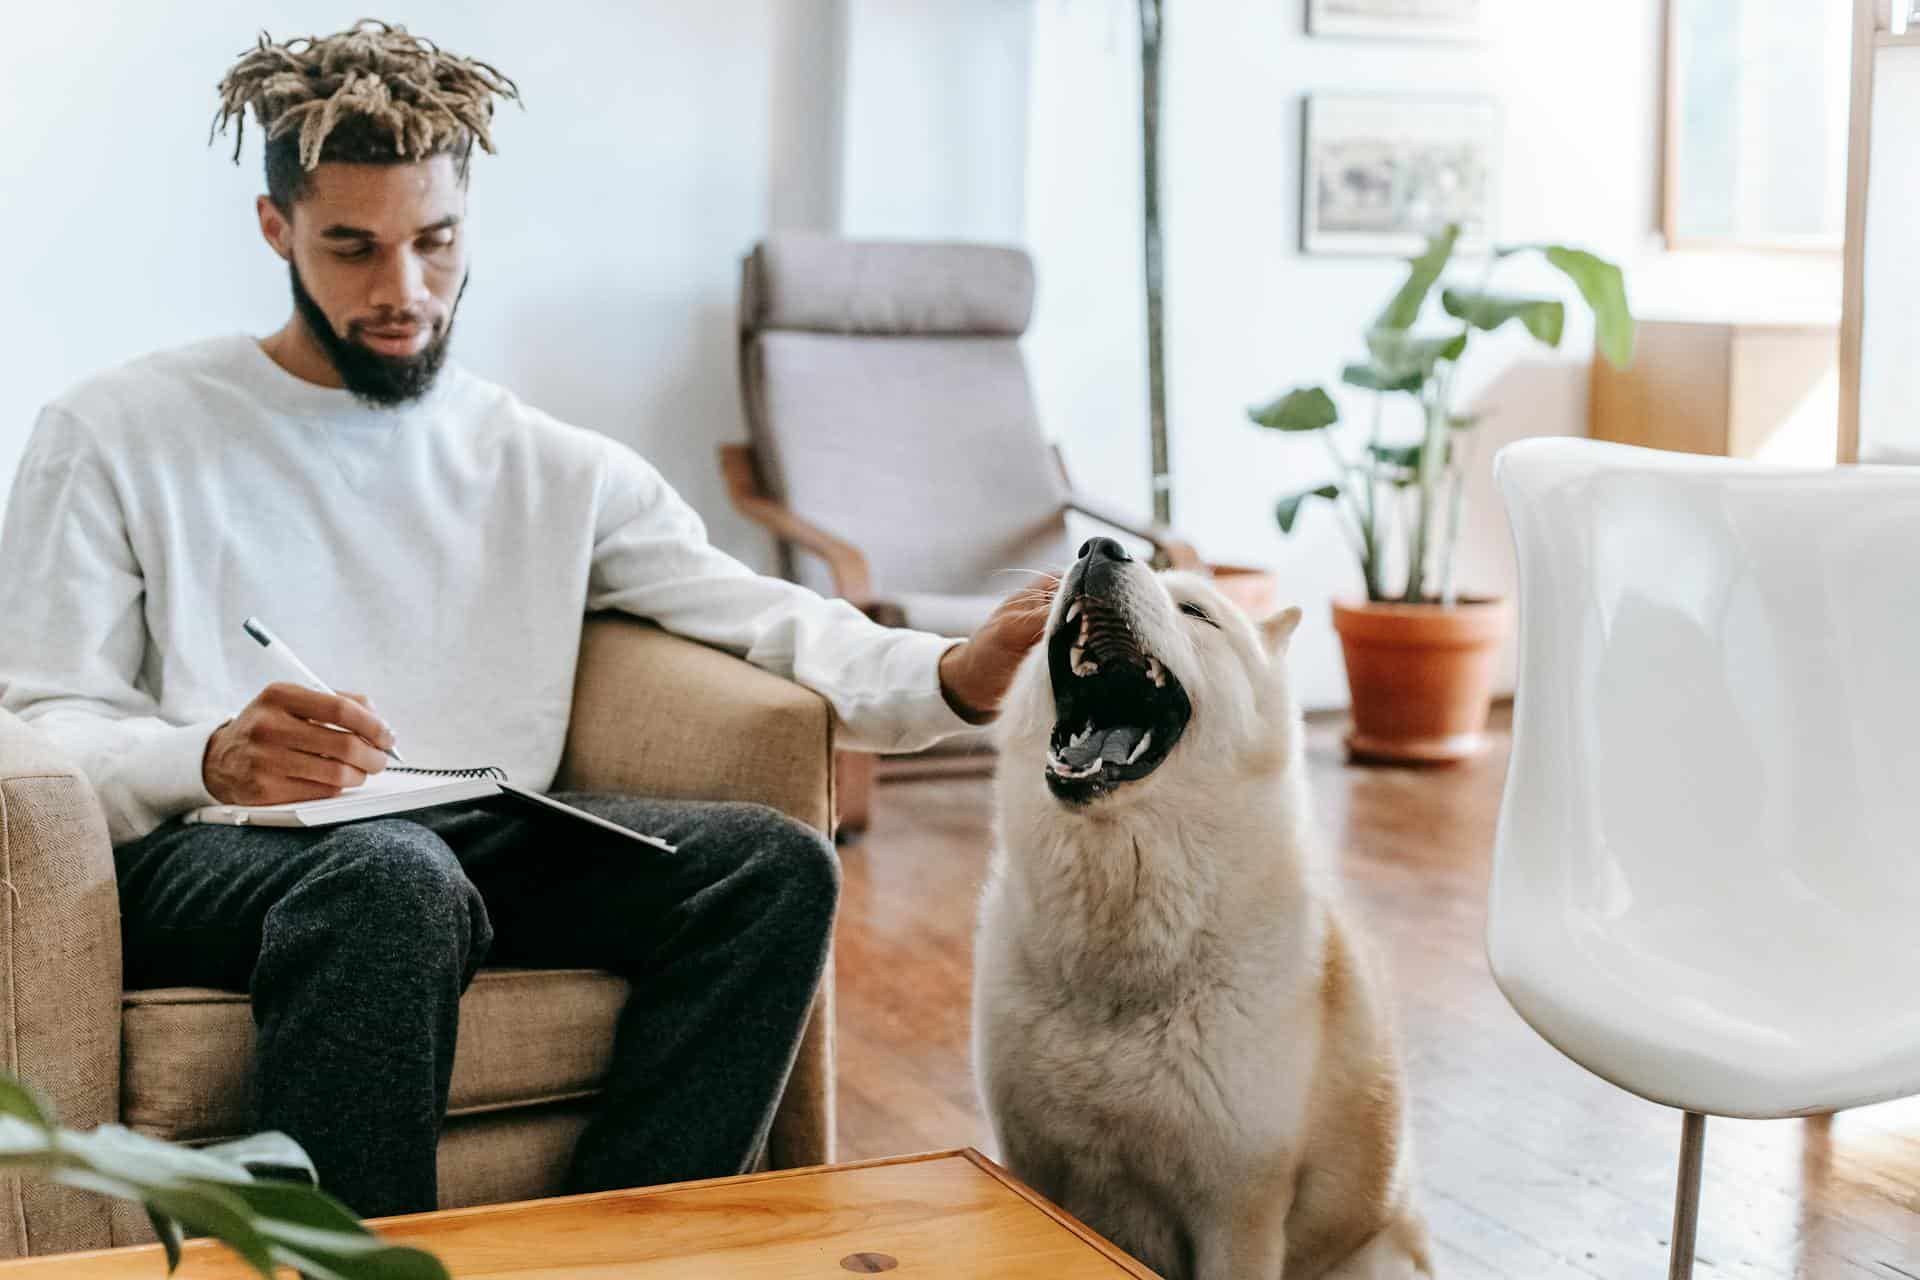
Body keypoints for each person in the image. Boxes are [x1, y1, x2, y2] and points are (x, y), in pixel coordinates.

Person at [0, 20, 1047, 1217]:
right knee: (389, 874)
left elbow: (760, 614)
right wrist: (209, 752)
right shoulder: (116, 431)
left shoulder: (548, 463)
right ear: (276, 228)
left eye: (435, 241)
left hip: (474, 834)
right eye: (353, 247)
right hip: (215, 850)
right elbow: (42, 712)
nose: (404, 290)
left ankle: (624, 1245)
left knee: (771, 866)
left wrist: (959, 668)